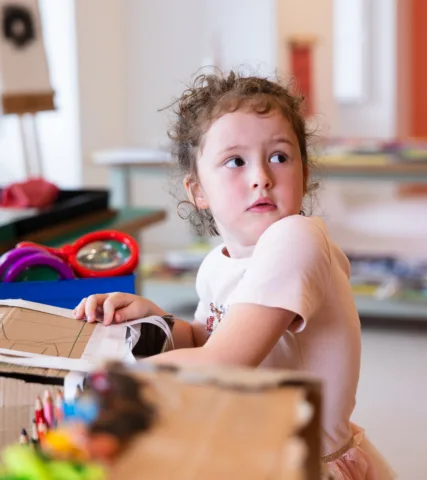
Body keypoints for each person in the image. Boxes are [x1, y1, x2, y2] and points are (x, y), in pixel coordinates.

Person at [74, 71, 395, 479]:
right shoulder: (216, 263)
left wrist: (112, 382)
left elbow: (224, 363)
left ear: (305, 172)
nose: (261, 175)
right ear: (199, 192)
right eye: (235, 161)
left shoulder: (297, 238)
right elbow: (210, 338)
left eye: (279, 156)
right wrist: (159, 319)